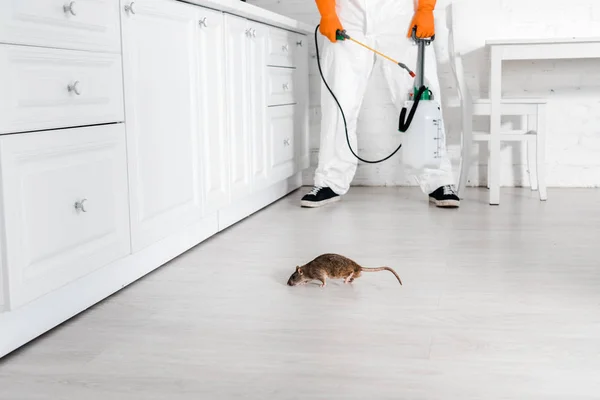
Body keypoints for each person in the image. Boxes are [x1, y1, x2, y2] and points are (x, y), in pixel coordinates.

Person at [300, 0, 460, 209]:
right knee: (338, 100)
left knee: (421, 97)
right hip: (347, 13)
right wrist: (327, 12)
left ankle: (438, 180)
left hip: (400, 13)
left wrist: (425, 9)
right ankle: (330, 180)